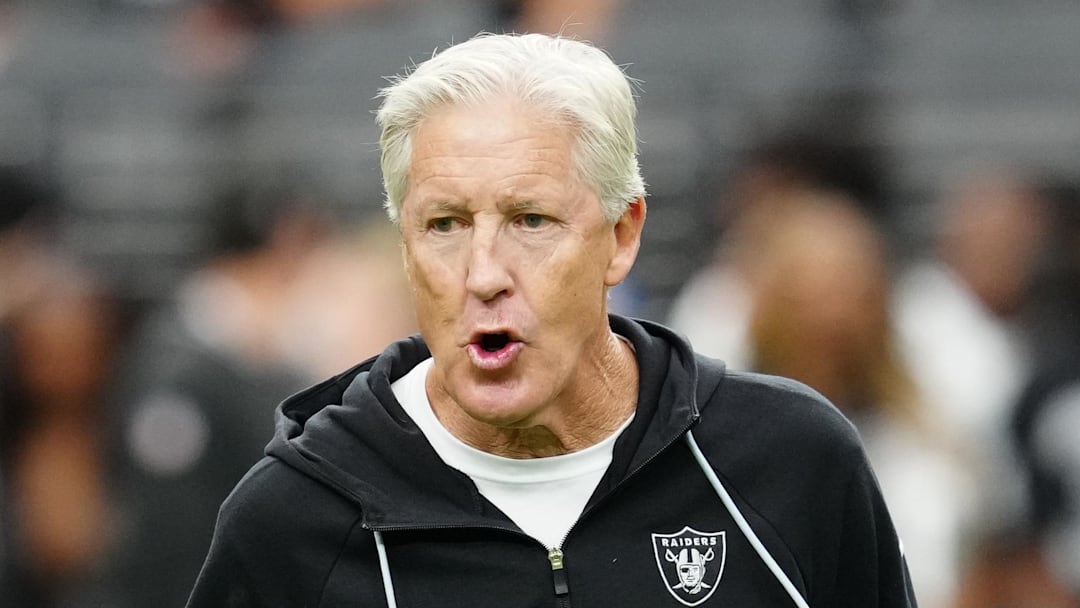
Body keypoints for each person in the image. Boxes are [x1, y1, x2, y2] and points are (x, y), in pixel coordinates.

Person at [187, 32, 916, 607]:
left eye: (530, 220)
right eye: (444, 224)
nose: (484, 274)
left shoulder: (791, 464)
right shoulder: (292, 521)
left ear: (622, 236)